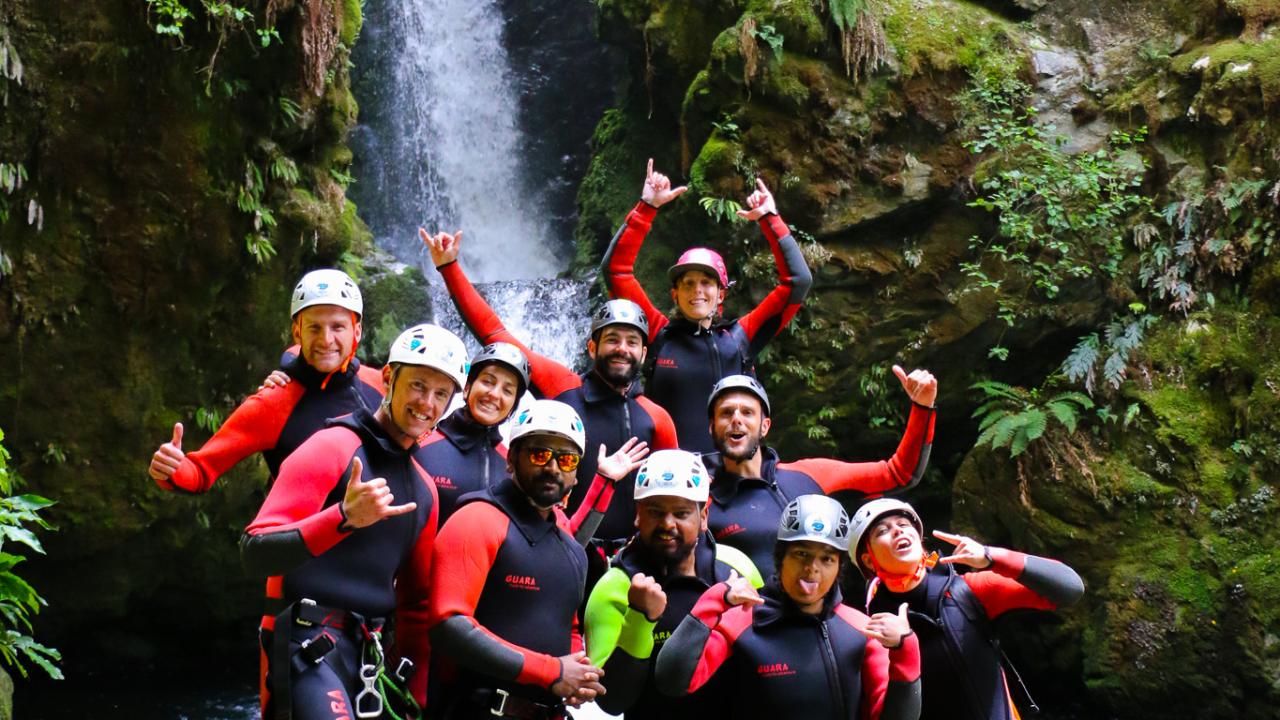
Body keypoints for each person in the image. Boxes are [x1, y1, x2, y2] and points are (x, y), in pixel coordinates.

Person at [240, 323, 469, 719]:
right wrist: (343, 518)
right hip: (305, 645)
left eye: (441, 394)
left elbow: (414, 607)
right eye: (417, 385)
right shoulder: (332, 446)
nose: (426, 403)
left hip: (369, 658)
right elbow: (255, 551)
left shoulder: (424, 490)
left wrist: (418, 696)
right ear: (388, 378)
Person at [422, 229, 677, 543]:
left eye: (631, 342)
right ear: (592, 348)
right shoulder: (564, 387)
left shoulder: (657, 418)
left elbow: (673, 493)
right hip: (559, 546)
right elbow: (496, 335)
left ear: (644, 353)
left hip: (635, 558)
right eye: (612, 339)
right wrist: (450, 268)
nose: (621, 348)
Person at [427, 399, 647, 719]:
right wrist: (552, 671)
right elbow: (448, 627)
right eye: (539, 453)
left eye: (567, 459)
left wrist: (577, 672)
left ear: (575, 473)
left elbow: (566, 623)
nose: (553, 468)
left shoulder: (567, 542)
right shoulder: (477, 520)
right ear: (512, 459)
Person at [600, 159, 813, 453]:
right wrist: (647, 207)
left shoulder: (740, 337)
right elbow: (616, 271)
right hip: (669, 480)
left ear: (721, 295)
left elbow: (797, 281)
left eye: (706, 283)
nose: (696, 291)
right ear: (674, 294)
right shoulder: (658, 334)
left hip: (732, 476)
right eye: (687, 283)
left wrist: (770, 218)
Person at [655, 494, 923, 720]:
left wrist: (906, 649)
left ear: (839, 568)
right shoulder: (741, 621)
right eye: (801, 554)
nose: (812, 568)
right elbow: (672, 681)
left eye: (826, 559)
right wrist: (712, 602)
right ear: (780, 558)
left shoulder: (861, 629)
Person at [148, 268, 383, 493]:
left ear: (357, 331)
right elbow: (201, 470)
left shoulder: (383, 385)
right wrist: (172, 469)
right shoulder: (274, 402)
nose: (326, 339)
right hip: (310, 532)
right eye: (314, 328)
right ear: (298, 332)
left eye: (337, 327)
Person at [851, 498, 1085, 720]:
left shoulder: (969, 590)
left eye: (903, 524)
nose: (898, 530)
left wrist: (991, 556)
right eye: (882, 531)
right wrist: (901, 647)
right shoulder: (869, 629)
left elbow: (1070, 588)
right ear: (869, 561)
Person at [584, 449, 762, 719]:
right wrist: (641, 618)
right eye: (655, 512)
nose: (668, 524)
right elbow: (612, 701)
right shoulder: (613, 587)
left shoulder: (736, 569)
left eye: (681, 513)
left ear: (703, 516)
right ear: (638, 514)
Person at [702, 372, 937, 573]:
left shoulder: (808, 474)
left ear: (765, 427)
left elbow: (897, 474)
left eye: (747, 412)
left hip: (824, 618)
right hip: (748, 622)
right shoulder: (702, 500)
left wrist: (922, 408)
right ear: (712, 428)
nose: (736, 420)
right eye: (726, 413)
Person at [414, 342, 530, 523]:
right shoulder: (420, 445)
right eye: (487, 381)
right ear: (467, 387)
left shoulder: (512, 465)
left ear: (514, 405)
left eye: (507, 390)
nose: (494, 394)